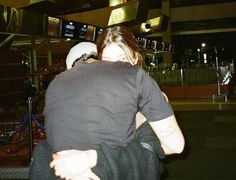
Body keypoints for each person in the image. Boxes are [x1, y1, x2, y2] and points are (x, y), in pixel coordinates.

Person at [31, 25, 184, 180]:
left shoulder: (150, 94)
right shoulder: (100, 96)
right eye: (107, 61)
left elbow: (171, 147)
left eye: (122, 59)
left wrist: (90, 160)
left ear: (135, 57)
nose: (115, 68)